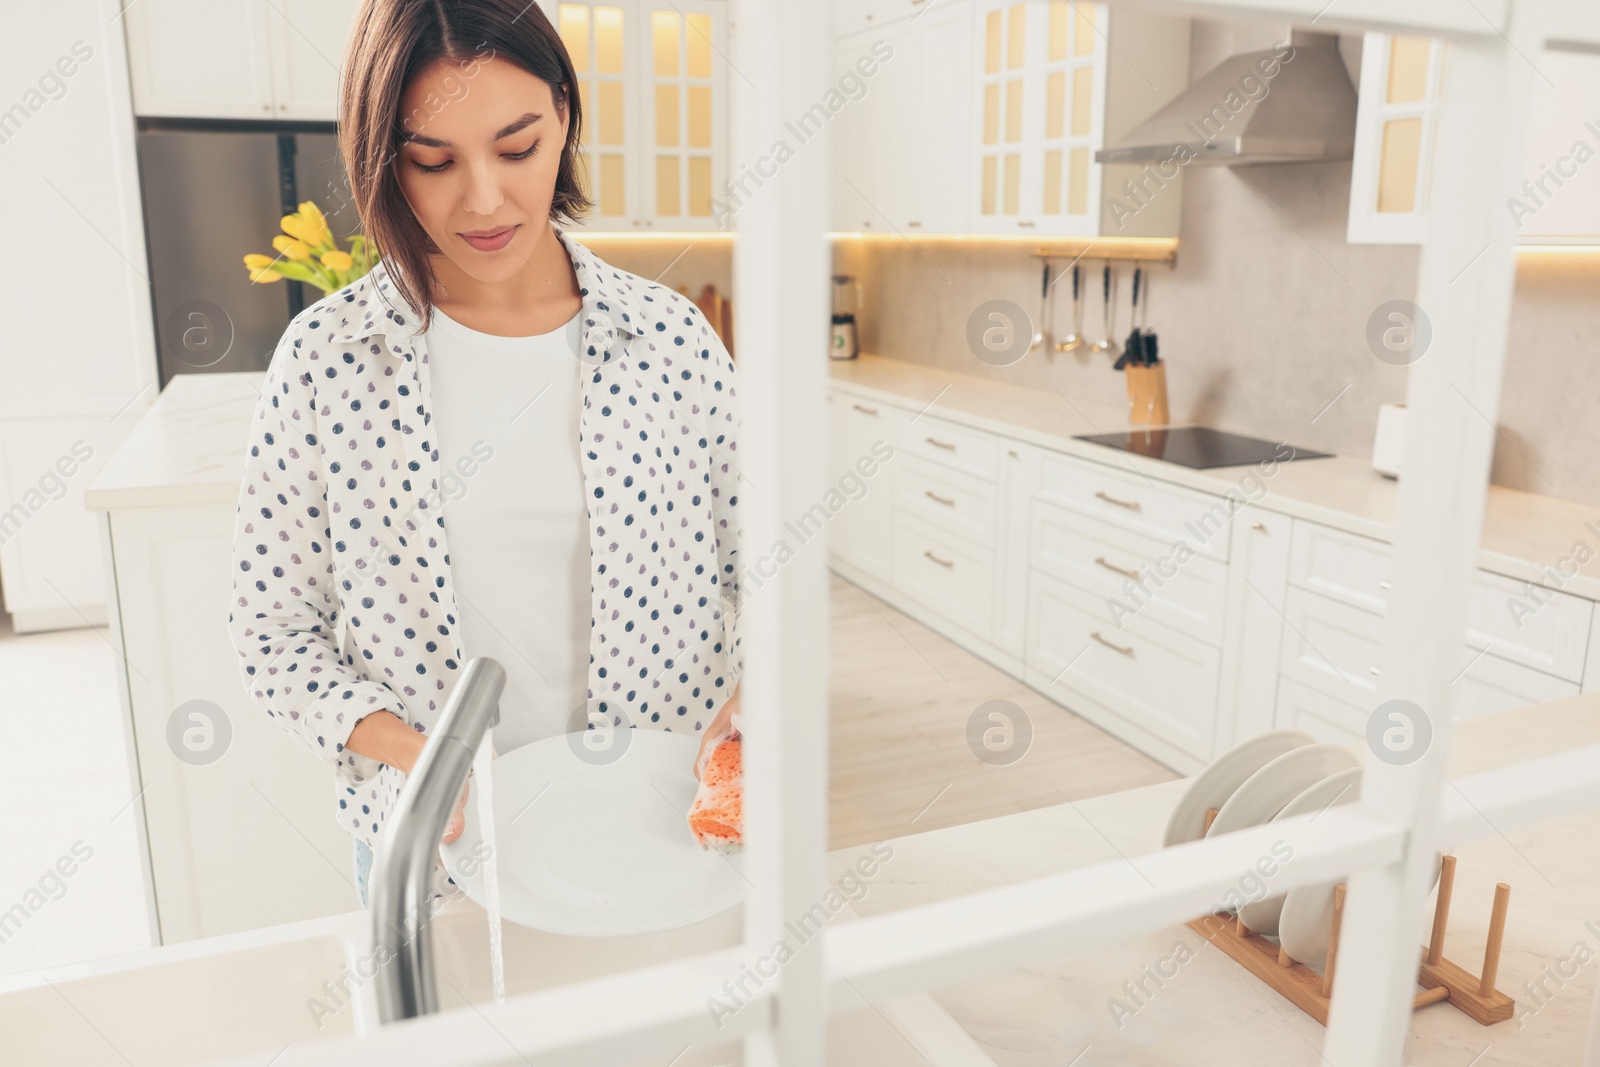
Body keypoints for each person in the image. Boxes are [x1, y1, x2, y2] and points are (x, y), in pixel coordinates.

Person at [227, 0, 743, 909]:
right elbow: (274, 636)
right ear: (383, 160)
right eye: (433, 161)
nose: (485, 198)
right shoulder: (329, 362)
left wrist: (753, 703)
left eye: (517, 147)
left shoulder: (672, 339)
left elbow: (763, 565)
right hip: (444, 853)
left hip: (663, 826)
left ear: (564, 121)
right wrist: (416, 756)